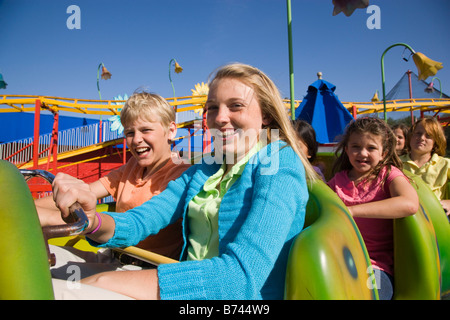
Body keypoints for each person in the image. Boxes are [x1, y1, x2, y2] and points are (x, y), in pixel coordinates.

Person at [51, 63, 318, 300]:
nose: (220, 117)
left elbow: (239, 279)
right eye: (212, 108)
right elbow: (143, 220)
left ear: (266, 116)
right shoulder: (207, 167)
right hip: (185, 286)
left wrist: (107, 279)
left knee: (66, 292)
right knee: (48, 273)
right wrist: (91, 219)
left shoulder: (278, 164)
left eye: (235, 105)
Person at [35, 91, 191, 260]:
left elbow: (137, 224)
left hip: (147, 266)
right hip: (115, 254)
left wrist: (47, 218)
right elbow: (85, 193)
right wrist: (29, 205)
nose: (136, 139)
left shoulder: (182, 175)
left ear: (171, 131)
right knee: (36, 257)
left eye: (146, 130)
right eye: (130, 133)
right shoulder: (131, 167)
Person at [327, 117, 419, 300]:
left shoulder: (388, 175)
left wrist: (352, 211)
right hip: (339, 263)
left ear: (383, 153)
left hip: (375, 266)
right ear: (346, 150)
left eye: (371, 148)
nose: (362, 153)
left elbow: (409, 203)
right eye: (355, 147)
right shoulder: (337, 181)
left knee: (369, 295)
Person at [400, 117, 450, 214]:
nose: (422, 138)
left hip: (435, 213)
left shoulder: (445, 164)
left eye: (428, 136)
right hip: (405, 215)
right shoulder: (397, 163)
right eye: (418, 133)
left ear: (435, 142)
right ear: (411, 137)